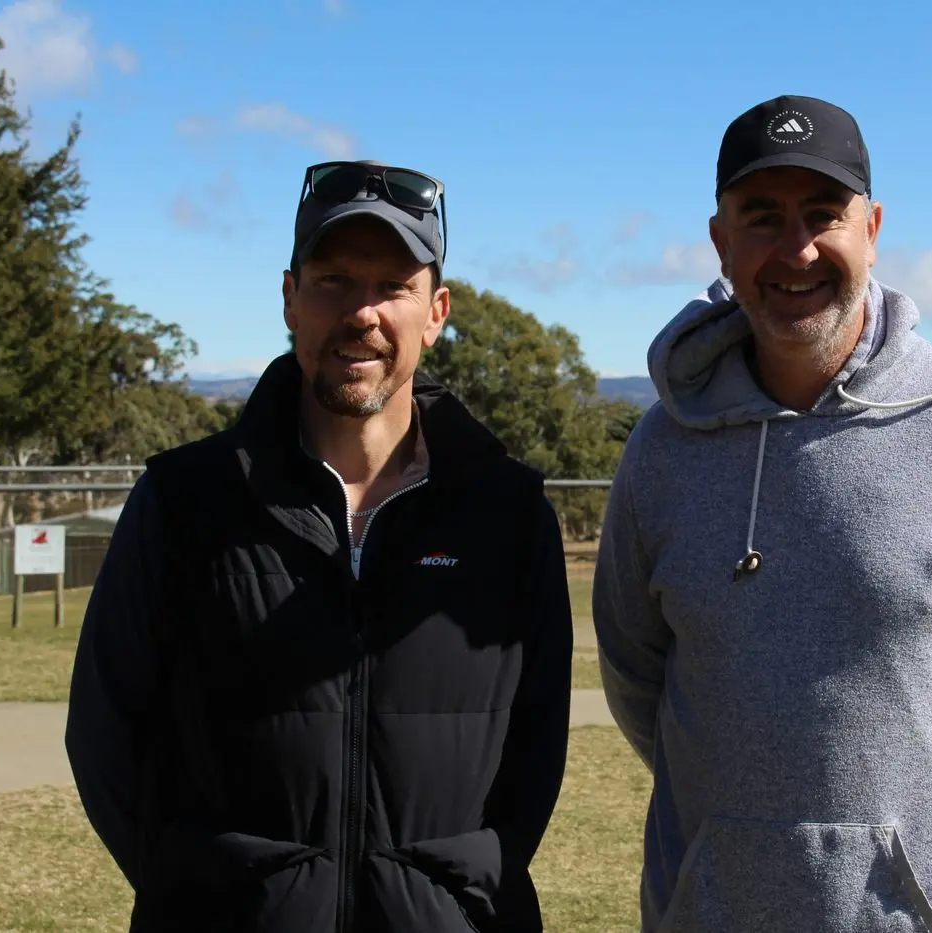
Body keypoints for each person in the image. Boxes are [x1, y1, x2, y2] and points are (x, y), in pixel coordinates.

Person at [593, 95, 932, 933]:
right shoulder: (663, 446)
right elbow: (636, 680)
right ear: (720, 242)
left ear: (871, 229)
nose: (795, 249)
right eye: (761, 218)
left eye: (823, 215)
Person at [66, 159, 574, 932]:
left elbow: (533, 756)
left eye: (393, 285)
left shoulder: (506, 513)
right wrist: (212, 892)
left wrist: (447, 898)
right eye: (333, 280)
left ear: (435, 311)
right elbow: (106, 732)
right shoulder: (184, 501)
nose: (362, 311)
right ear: (289, 299)